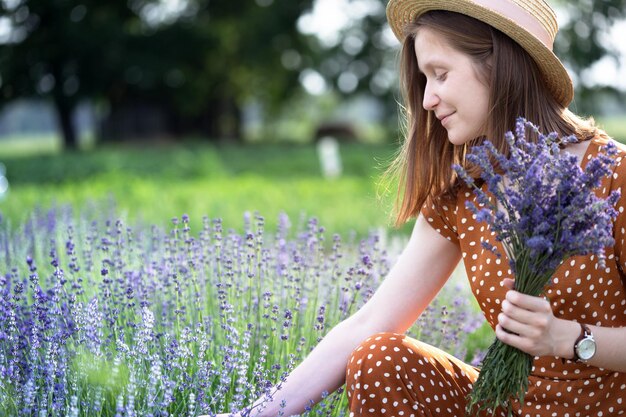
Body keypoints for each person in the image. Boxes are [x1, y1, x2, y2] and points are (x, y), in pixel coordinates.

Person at [208, 1, 626, 416]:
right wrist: (252, 414)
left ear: (500, 65)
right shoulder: (464, 192)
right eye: (424, 79)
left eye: (440, 74)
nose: (427, 99)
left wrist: (567, 338)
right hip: (505, 406)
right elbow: (371, 322)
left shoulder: (614, 175)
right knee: (378, 358)